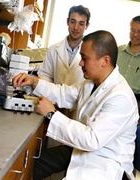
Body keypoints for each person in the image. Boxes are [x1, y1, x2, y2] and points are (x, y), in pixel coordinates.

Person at [12, 30, 139, 180]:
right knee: (30, 164)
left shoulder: (121, 96)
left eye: (85, 58)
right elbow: (63, 93)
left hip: (105, 162)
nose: (80, 63)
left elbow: (92, 139)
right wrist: (35, 82)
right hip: (82, 150)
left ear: (104, 61)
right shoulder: (91, 83)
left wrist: (52, 115)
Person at [37, 5, 90, 147]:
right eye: (73, 21)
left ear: (87, 26)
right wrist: (51, 94)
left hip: (77, 108)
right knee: (52, 148)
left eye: (81, 23)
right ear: (67, 21)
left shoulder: (90, 53)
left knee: (72, 149)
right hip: (55, 106)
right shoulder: (54, 49)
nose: (76, 27)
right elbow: (45, 75)